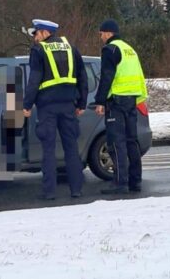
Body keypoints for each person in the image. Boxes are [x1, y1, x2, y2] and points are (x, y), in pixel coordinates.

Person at [23, 19, 88, 200]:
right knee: (71, 149)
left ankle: (49, 192)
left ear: (45, 33)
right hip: (68, 106)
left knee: (49, 150)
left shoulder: (38, 51)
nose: (35, 37)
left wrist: (27, 105)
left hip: (47, 108)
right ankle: (76, 189)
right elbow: (82, 77)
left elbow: (34, 80)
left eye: (36, 33)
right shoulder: (71, 48)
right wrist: (82, 104)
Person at [94, 19, 147, 194]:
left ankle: (120, 183)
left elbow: (107, 77)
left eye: (101, 34)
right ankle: (135, 181)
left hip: (116, 101)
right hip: (132, 100)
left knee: (116, 143)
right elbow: (139, 75)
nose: (101, 37)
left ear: (108, 33)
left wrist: (100, 101)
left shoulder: (110, 49)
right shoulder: (129, 49)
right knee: (132, 141)